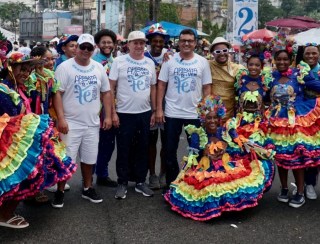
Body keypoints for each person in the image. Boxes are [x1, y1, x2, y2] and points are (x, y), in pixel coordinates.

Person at [164, 95, 274, 221]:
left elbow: (241, 144)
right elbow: (192, 157)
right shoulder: (198, 134)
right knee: (208, 189)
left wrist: (260, 150)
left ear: (220, 118)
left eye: (215, 117)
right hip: (206, 168)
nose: (212, 121)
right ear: (203, 119)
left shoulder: (225, 131)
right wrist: (202, 155)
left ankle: (230, 207)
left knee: (236, 184)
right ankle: (218, 208)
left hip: (227, 165)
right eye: (209, 118)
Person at [0, 51, 76, 228]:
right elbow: (8, 119)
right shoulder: (3, 90)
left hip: (14, 141)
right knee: (16, 176)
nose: (26, 73)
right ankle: (4, 215)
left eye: (28, 70)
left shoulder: (17, 88)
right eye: (22, 69)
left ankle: (5, 213)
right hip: (6, 143)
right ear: (10, 68)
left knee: (28, 172)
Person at [53, 34, 112, 208]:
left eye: (89, 48)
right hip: (70, 123)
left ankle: (87, 188)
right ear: (77, 48)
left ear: (94, 49)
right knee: (65, 159)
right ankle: (60, 190)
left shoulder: (98, 68)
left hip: (92, 123)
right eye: (82, 47)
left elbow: (106, 92)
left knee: (89, 158)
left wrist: (108, 116)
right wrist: (61, 118)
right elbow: (57, 93)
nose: (85, 51)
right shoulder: (64, 67)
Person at [156, 29, 212, 190]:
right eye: (183, 40)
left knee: (197, 151)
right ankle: (173, 183)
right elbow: (161, 85)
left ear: (195, 43)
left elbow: (207, 88)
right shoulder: (169, 61)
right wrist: (159, 109)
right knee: (169, 151)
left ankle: (195, 182)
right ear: (178, 43)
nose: (186, 43)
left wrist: (206, 111)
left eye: (190, 40)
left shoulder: (202, 62)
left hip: (195, 114)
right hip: (172, 113)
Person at [266, 49, 320, 208]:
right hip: (275, 122)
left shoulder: (299, 74)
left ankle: (300, 192)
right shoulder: (271, 76)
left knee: (297, 156)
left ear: (291, 60)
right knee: (280, 156)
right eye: (279, 59)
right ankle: (283, 188)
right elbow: (263, 94)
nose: (282, 62)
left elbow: (317, 85)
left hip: (294, 121)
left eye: (285, 59)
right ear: (274, 60)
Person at [109, 31, 156, 199]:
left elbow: (153, 88)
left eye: (142, 43)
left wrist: (155, 110)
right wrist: (113, 112)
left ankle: (140, 182)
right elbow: (110, 87)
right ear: (128, 44)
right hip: (123, 113)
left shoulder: (149, 63)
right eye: (135, 43)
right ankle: (122, 182)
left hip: (144, 113)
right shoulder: (119, 62)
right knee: (123, 148)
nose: (139, 46)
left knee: (143, 148)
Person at [144, 23, 170, 189]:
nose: (158, 44)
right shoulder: (144, 58)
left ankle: (163, 173)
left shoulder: (171, 57)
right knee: (151, 142)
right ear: (150, 41)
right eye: (155, 41)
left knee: (167, 142)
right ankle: (152, 174)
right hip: (150, 104)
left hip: (168, 104)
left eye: (161, 41)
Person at [92, 29, 118, 187]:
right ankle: (88, 177)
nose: (107, 45)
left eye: (110, 42)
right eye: (104, 42)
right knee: (92, 144)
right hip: (96, 109)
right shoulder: (93, 62)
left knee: (108, 143)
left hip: (113, 109)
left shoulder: (117, 62)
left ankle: (102, 174)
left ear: (114, 45)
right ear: (98, 44)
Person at [295, 43, 320, 199]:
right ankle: (301, 185)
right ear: (303, 56)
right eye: (307, 54)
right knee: (302, 149)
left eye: (314, 53)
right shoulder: (297, 70)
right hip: (301, 114)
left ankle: (310, 183)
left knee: (316, 150)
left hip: (318, 115)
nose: (311, 56)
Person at [209, 37, 245, 120]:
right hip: (212, 114)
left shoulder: (237, 68)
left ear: (228, 51)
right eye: (218, 51)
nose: (222, 53)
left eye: (225, 50)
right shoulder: (207, 65)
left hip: (230, 113)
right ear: (213, 54)